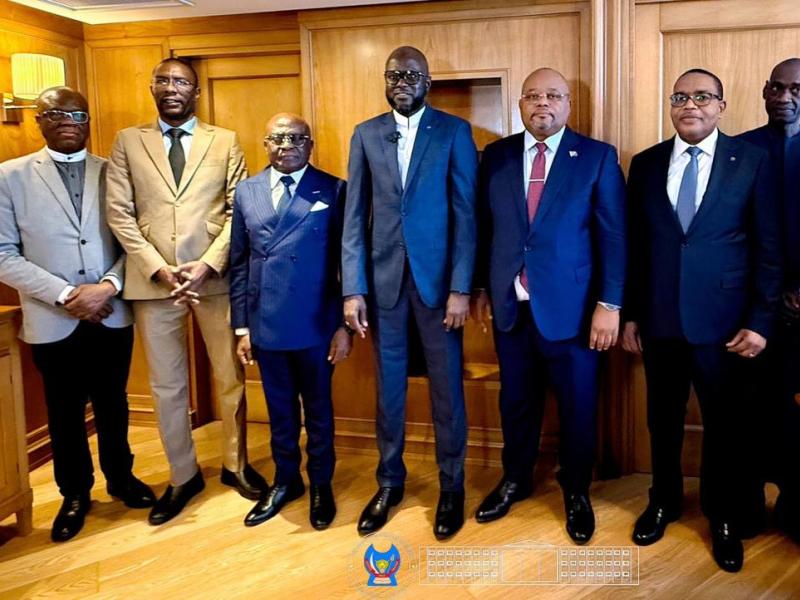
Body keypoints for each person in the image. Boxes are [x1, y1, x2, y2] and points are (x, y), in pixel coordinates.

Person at [622, 68, 781, 572]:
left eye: (702, 97)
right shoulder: (645, 164)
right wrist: (628, 315)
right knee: (661, 421)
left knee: (725, 426)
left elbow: (768, 248)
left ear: (721, 105)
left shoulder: (751, 161)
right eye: (681, 96)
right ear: (672, 105)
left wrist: (760, 321)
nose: (691, 105)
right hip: (660, 321)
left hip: (726, 325)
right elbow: (634, 247)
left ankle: (724, 517)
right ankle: (663, 501)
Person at [106, 58, 267, 526]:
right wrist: (157, 268)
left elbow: (241, 210)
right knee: (167, 386)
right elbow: (119, 212)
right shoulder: (127, 142)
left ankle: (236, 465)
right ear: (152, 87)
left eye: (181, 81)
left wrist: (210, 262)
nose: (171, 87)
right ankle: (182, 475)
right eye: (163, 80)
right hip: (153, 284)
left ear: (195, 91)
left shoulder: (226, 141)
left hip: (214, 281)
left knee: (230, 376)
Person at [471, 68, 626, 545]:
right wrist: (480, 288)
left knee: (579, 407)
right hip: (512, 310)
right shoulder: (495, 157)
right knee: (516, 403)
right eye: (533, 95)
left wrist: (610, 303)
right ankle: (514, 479)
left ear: (568, 105)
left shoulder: (597, 158)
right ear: (520, 104)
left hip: (576, 312)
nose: (543, 103)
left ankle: (575, 490)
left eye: (554, 95)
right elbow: (484, 229)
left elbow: (614, 236)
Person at [0, 87, 154, 542]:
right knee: (63, 411)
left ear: (88, 121)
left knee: (113, 403)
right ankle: (74, 493)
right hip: (53, 317)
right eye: (55, 113)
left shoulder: (114, 172)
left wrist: (108, 286)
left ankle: (121, 479)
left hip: (112, 309)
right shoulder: (9, 176)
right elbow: (4, 253)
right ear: (38, 120)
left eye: (77, 113)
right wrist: (68, 294)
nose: (68, 120)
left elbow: (136, 240)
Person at [342, 46, 478, 540]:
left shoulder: (453, 132)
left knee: (447, 391)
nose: (402, 81)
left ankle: (452, 486)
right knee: (389, 390)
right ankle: (389, 482)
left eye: (412, 74)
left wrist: (462, 287)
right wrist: (353, 289)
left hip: (439, 287)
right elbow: (354, 219)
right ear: (385, 80)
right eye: (394, 74)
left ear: (428, 82)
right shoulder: (365, 134)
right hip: (383, 287)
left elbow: (466, 215)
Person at [229, 113, 350, 530]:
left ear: (309, 144)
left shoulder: (333, 189)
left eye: (296, 138)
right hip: (266, 324)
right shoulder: (246, 192)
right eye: (278, 138)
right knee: (280, 411)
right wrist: (241, 328)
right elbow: (239, 263)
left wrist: (343, 326)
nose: (287, 145)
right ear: (265, 143)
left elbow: (344, 262)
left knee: (318, 411)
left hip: (316, 322)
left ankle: (321, 484)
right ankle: (285, 481)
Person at [737, 57, 800, 543]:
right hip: (753, 309)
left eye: (795, 88)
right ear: (763, 91)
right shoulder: (739, 151)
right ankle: (748, 506)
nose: (784, 96)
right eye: (775, 87)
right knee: (752, 411)